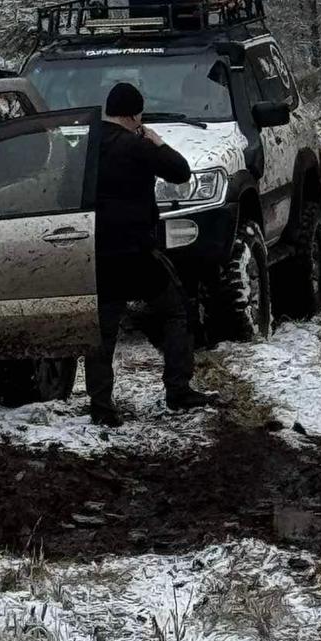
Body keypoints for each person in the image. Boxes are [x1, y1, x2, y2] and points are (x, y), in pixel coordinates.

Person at [85, 81, 219, 424]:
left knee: (102, 331)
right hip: (138, 252)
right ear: (133, 115)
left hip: (99, 251)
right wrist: (157, 141)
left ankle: (101, 406)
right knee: (177, 311)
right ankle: (178, 389)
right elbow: (180, 171)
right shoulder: (136, 145)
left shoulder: (87, 144)